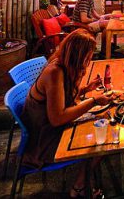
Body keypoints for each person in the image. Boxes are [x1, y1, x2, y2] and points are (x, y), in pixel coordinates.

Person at [21, 29, 114, 197]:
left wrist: (85, 89)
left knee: (104, 126)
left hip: (48, 127)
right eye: (88, 56)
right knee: (103, 139)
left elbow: (62, 98)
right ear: (78, 55)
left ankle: (85, 180)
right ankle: (79, 187)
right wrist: (93, 101)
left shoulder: (63, 64)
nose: (89, 60)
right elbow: (57, 118)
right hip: (43, 139)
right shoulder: (55, 72)